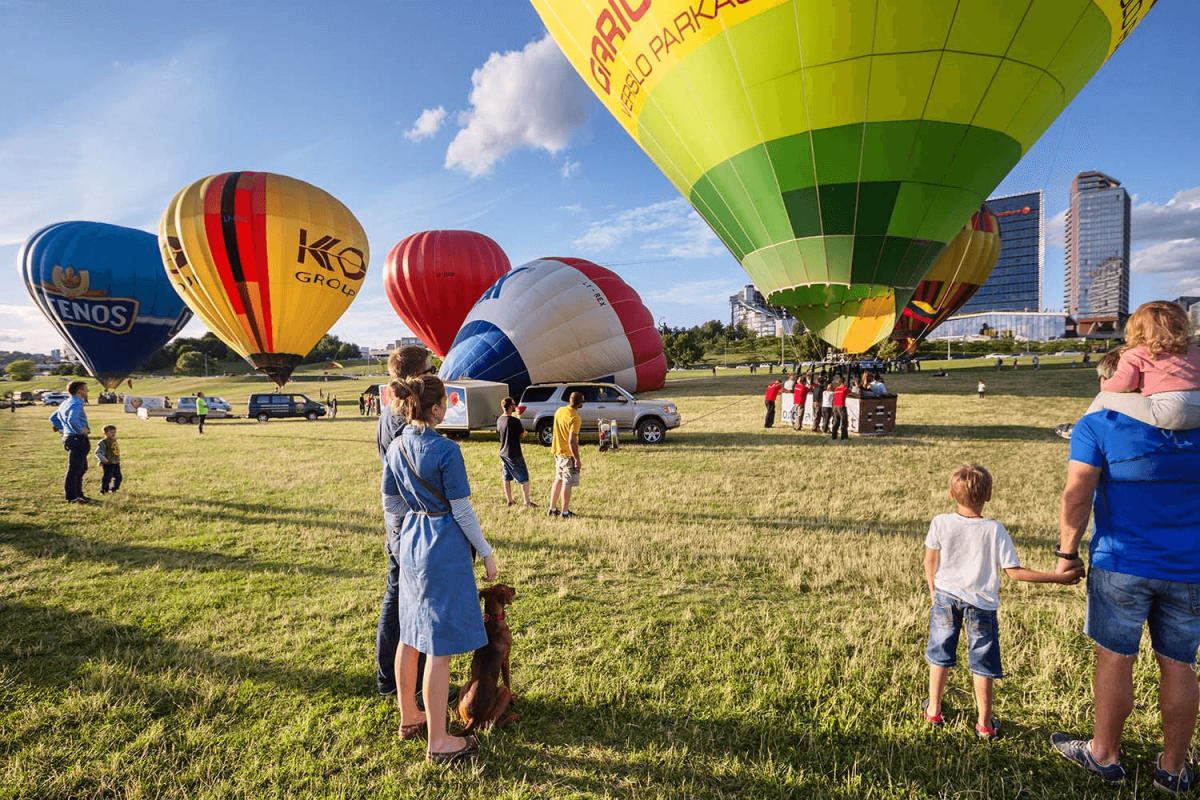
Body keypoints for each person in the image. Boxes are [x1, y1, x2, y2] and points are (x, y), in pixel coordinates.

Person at [1049, 405, 1200, 792]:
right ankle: (1173, 769)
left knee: (1116, 657)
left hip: (1121, 563)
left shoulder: (1099, 424)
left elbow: (1077, 497)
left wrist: (1067, 553)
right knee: (1180, 663)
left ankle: (1104, 754)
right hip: (1191, 568)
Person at [382, 374, 497, 765]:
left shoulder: (395, 447)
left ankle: (408, 716)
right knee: (439, 648)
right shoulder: (446, 450)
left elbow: (392, 505)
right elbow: (462, 510)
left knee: (410, 636)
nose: (448, 409)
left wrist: (400, 543)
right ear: (435, 409)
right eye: (446, 403)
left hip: (410, 543)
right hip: (442, 545)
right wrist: (486, 552)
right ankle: (439, 740)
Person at [924, 464, 1083, 739]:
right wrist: (1058, 578)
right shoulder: (994, 530)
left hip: (945, 598)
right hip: (981, 606)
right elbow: (1014, 573)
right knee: (982, 663)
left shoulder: (940, 522)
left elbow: (930, 560)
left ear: (951, 494)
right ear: (989, 495)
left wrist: (933, 590)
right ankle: (985, 724)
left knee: (939, 655)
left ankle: (933, 711)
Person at [376, 345, 440, 705]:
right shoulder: (406, 418)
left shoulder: (388, 411)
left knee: (397, 595)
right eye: (430, 369)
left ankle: (392, 679)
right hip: (413, 522)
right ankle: (410, 683)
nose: (434, 373)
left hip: (396, 519)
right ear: (418, 374)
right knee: (412, 602)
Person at [1081, 300, 1200, 430]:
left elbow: (1125, 384)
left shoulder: (1136, 353)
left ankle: (1084, 430)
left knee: (1103, 398)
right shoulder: (1194, 350)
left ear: (1137, 329)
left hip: (1169, 409)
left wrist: (1105, 384)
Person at [49, 381, 92, 503]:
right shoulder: (77, 403)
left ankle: (78, 493)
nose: (87, 392)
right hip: (77, 438)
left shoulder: (66, 402)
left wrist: (63, 430)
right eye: (85, 389)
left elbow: (53, 418)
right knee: (75, 469)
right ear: (80, 391)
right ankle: (72, 496)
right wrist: (80, 430)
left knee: (81, 467)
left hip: (69, 438)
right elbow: (73, 420)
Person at [547, 391, 583, 518]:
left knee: (558, 480)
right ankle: (565, 512)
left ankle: (552, 508)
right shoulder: (575, 418)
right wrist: (577, 459)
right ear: (579, 404)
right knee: (567, 483)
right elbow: (572, 441)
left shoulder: (560, 411)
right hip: (568, 455)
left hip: (557, 451)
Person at [498, 397, 536, 508]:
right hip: (514, 453)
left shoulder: (499, 419)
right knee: (524, 477)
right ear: (510, 407)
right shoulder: (515, 421)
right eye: (514, 405)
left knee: (506, 477)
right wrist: (524, 431)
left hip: (503, 452)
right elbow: (522, 435)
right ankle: (527, 501)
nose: (515, 406)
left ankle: (510, 500)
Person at [95, 424, 122, 494]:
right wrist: (103, 459)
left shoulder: (114, 441)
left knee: (118, 477)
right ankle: (104, 490)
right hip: (108, 463)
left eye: (114, 432)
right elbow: (98, 452)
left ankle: (114, 489)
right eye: (111, 432)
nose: (113, 434)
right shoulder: (103, 443)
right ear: (105, 433)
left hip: (116, 462)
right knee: (107, 477)